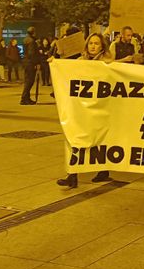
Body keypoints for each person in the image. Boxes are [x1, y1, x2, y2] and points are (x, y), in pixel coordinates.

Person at [57, 33, 115, 188]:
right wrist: (55, 64)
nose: (93, 46)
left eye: (96, 43)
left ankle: (103, 170)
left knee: (99, 140)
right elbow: (66, 73)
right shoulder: (80, 62)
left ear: (102, 46)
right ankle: (72, 175)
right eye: (91, 43)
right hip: (81, 109)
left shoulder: (107, 63)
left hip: (100, 109)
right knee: (75, 139)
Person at [21, 27, 43, 105]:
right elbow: (32, 54)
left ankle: (26, 98)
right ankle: (24, 98)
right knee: (29, 81)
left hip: (26, 62)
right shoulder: (32, 41)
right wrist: (36, 63)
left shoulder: (26, 39)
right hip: (30, 63)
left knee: (27, 81)